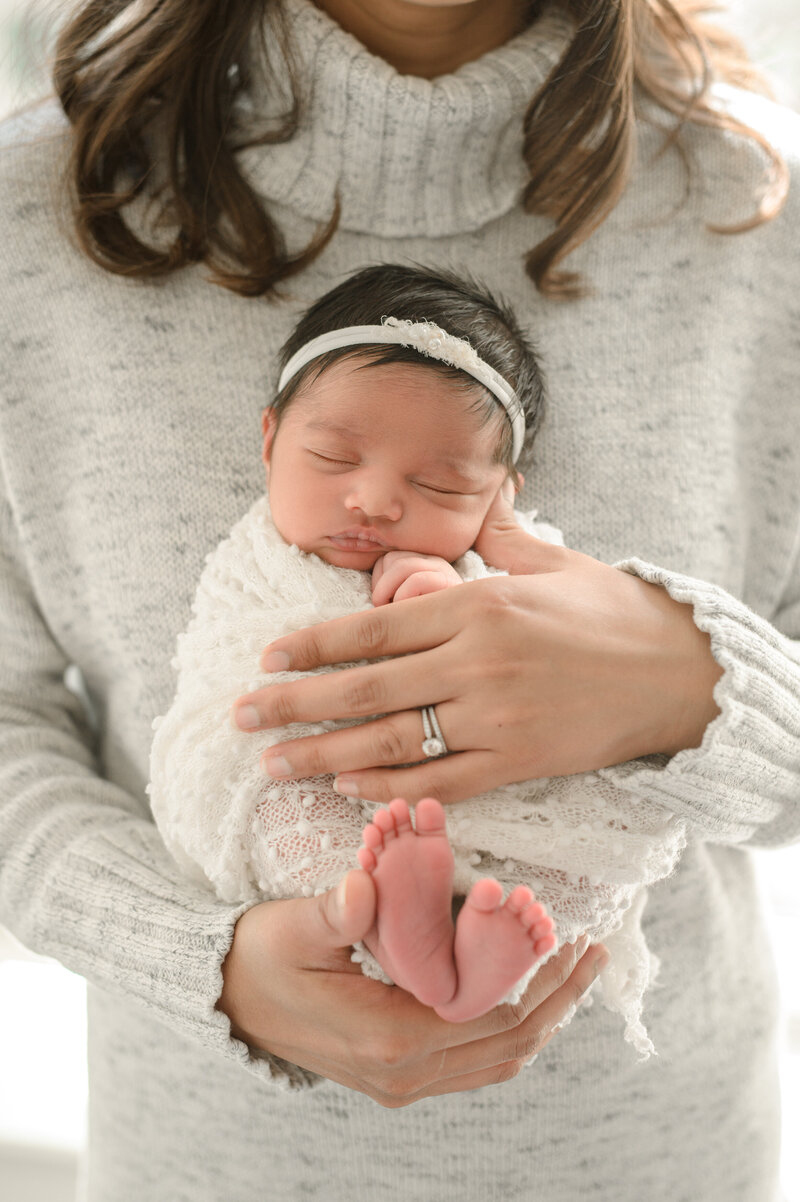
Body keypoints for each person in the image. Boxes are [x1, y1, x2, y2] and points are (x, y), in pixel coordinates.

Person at [0, 0, 798, 1199]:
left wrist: (701, 687)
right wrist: (204, 957)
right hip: (208, 1168)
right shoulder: (33, 227)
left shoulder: (758, 218)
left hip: (655, 1161)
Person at [149, 262, 685, 1045]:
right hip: (329, 793)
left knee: (586, 836)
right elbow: (226, 666)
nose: (374, 501)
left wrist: (444, 590)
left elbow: (538, 642)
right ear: (269, 439)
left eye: (438, 486)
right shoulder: (252, 564)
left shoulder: (487, 569)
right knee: (285, 806)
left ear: (500, 497)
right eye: (333, 460)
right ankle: (411, 936)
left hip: (487, 793)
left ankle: (464, 950)